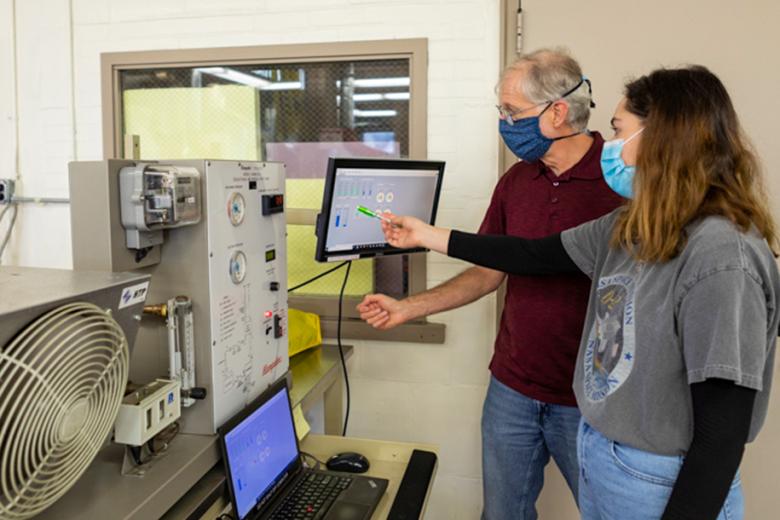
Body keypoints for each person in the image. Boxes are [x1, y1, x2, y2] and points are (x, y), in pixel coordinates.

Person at [372, 65, 779, 520]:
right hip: (610, 455)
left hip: (661, 476)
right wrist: (426, 235)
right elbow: (532, 255)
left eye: (618, 131)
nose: (610, 146)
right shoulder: (634, 226)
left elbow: (722, 428)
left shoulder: (724, 254)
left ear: (662, 139)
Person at [358, 49, 623, 519]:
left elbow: (539, 259)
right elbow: (488, 270)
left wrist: (429, 235)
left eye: (511, 112)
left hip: (590, 399)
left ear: (557, 111)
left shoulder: (620, 182)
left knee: (611, 513)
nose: (503, 122)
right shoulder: (517, 181)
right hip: (513, 389)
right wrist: (408, 308)